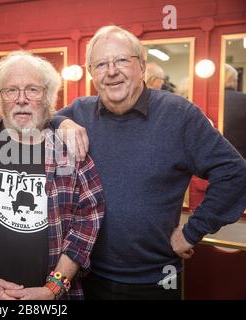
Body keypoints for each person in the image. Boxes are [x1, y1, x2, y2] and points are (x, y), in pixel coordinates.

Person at [54, 25, 246, 300]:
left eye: (121, 60)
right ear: (91, 74)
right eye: (100, 64)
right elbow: (38, 125)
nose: (111, 71)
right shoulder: (80, 111)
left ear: (141, 66)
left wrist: (193, 231)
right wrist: (62, 123)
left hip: (155, 278)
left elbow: (234, 173)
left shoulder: (179, 115)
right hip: (87, 275)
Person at [0, 51, 105, 300]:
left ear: (47, 96)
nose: (21, 99)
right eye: (11, 90)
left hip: (48, 297)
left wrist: (54, 288)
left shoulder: (69, 150)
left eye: (33, 90)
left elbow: (88, 220)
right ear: (0, 97)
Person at [224, 63, 246, 158]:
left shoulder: (201, 100)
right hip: (241, 159)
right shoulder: (244, 100)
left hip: (208, 163)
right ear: (235, 81)